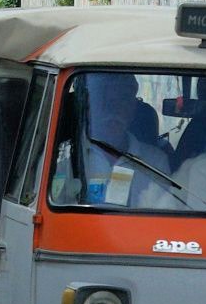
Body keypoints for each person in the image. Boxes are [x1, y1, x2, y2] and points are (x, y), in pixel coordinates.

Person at [51, 72, 170, 206]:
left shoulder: (155, 162)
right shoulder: (62, 158)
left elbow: (164, 212)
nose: (113, 110)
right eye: (105, 99)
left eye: (122, 100)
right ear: (88, 107)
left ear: (133, 109)